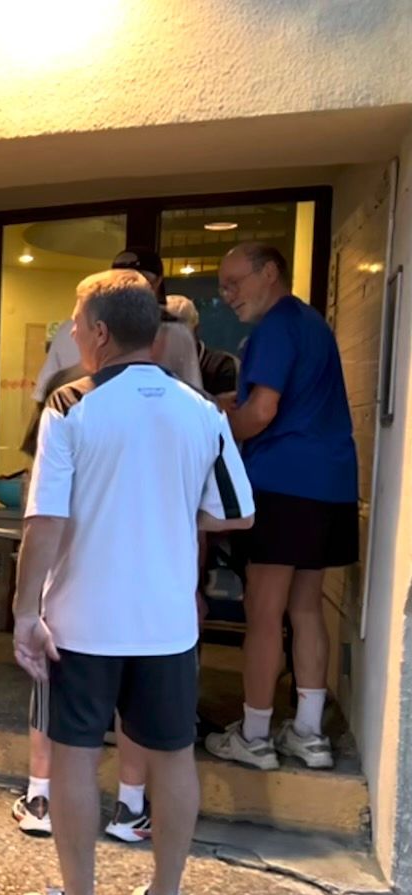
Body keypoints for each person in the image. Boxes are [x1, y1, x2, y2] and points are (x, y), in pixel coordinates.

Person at [14, 270, 253, 895]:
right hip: (168, 621)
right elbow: (237, 511)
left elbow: (46, 519)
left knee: (74, 755)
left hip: (84, 619)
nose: (73, 333)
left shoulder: (71, 403)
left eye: (75, 322)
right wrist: (170, 509)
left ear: (96, 332)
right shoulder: (199, 410)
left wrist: (26, 609)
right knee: (173, 756)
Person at [205, 243, 358, 772]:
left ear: (270, 273)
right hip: (331, 484)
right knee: (306, 606)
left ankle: (254, 734)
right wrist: (237, 406)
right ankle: (309, 733)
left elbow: (263, 413)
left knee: (263, 611)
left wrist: (216, 429)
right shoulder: (313, 324)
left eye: (233, 282)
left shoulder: (272, 328)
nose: (226, 297)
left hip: (283, 483)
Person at [31, 247, 203, 403]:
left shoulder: (175, 334)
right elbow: (43, 396)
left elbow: (193, 397)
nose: (131, 288)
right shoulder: (70, 330)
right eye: (123, 280)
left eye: (139, 281)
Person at [166, 293, 239, 396]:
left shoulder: (221, 365)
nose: (170, 339)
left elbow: (225, 408)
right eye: (163, 332)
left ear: (195, 330)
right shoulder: (154, 366)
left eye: (177, 331)